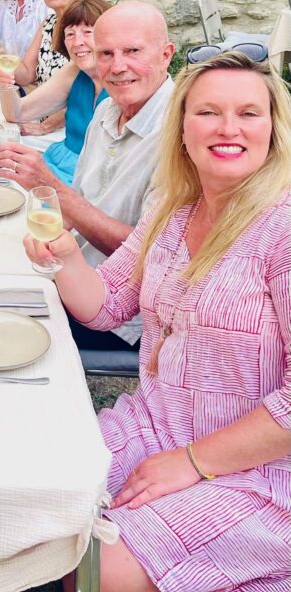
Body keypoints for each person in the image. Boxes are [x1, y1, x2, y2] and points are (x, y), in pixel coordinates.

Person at [28, 52, 291, 592]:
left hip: (263, 469)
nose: (228, 129)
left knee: (102, 568)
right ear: (182, 131)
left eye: (248, 113)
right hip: (156, 423)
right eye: (208, 112)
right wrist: (63, 257)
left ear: (273, 128)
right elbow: (106, 304)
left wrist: (194, 462)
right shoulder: (175, 212)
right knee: (39, 491)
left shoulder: (282, 231)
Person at [0, 1, 175, 350]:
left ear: (166, 54)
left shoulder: (180, 134)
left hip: (121, 314)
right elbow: (76, 208)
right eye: (105, 53)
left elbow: (148, 254)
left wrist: (51, 188)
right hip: (73, 271)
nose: (117, 66)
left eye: (132, 51)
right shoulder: (108, 109)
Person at [0, 0, 110, 185]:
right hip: (63, 163)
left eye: (87, 32)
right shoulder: (74, 71)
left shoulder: (123, 82)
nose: (77, 42)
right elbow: (16, 113)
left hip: (97, 177)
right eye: (70, 34)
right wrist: (5, 82)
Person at [12, 0, 90, 151]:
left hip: (73, 131)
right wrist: (0, 60)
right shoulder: (49, 23)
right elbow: (25, 75)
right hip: (42, 122)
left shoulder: (88, 25)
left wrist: (46, 126)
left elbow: (87, 93)